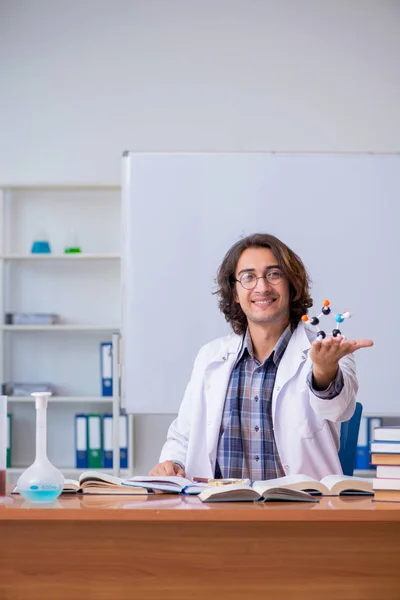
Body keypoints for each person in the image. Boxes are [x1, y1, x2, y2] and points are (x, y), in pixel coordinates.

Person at [150, 233, 373, 481]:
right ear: (234, 292)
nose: (262, 287)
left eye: (274, 274)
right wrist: (173, 463)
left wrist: (323, 372)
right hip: (220, 509)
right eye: (248, 277)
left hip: (302, 510)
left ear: (292, 285)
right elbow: (183, 436)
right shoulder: (210, 357)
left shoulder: (328, 350)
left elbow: (340, 410)